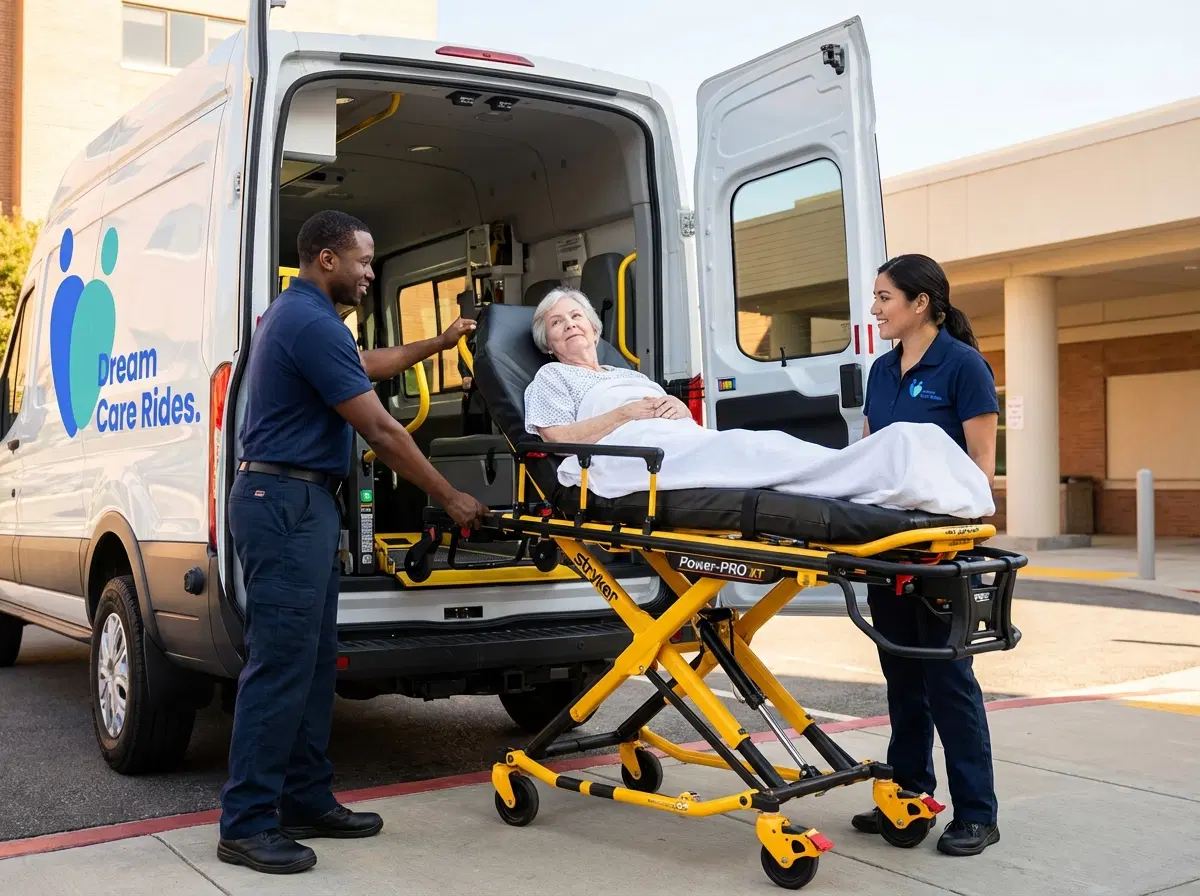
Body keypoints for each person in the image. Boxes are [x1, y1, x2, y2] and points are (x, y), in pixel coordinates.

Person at [217, 210, 487, 875]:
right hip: (282, 504)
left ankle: (305, 799)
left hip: (299, 502)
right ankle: (247, 823)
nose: (371, 273)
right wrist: (447, 496)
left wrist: (439, 343)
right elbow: (383, 431)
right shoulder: (307, 320)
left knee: (312, 665)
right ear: (327, 259)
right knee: (281, 665)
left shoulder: (309, 320)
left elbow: (367, 364)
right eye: (365, 262)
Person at [522, 287, 994, 519]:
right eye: (558, 323)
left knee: (762, 447)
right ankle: (891, 470)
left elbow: (677, 416)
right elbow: (558, 441)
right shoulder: (551, 377)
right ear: (549, 341)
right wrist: (629, 413)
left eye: (576, 315)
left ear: (593, 326)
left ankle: (898, 462)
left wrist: (676, 409)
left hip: (677, 438)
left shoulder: (626, 373)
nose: (571, 325)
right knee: (760, 450)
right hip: (633, 457)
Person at [849, 253, 1001, 856]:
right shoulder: (882, 372)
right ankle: (908, 793)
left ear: (921, 303)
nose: (876, 308)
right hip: (888, 548)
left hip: (941, 550)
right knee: (901, 677)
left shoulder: (963, 367)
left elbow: (980, 475)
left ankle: (976, 812)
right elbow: (870, 463)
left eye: (885, 297)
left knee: (948, 681)